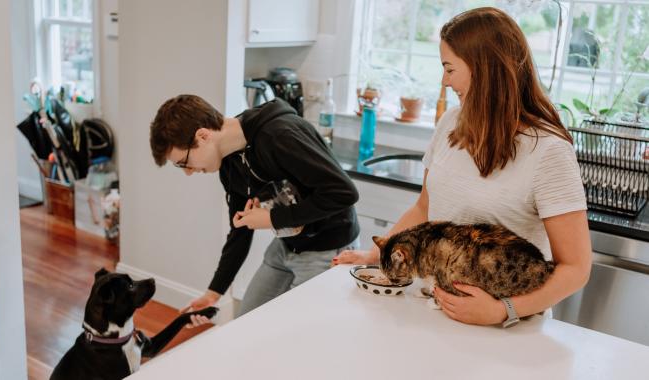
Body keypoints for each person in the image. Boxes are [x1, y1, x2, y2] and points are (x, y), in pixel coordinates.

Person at [334, 7, 592, 326]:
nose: (444, 81)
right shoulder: (450, 123)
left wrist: (504, 310)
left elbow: (576, 268)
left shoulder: (548, 151)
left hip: (509, 329)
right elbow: (423, 208)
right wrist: (377, 256)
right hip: (437, 312)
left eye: (449, 68)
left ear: (484, 69)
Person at [150, 96, 360, 325]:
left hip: (328, 249)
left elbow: (344, 193)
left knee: (300, 338)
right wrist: (214, 293)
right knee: (245, 326)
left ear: (203, 135)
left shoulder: (281, 135)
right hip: (285, 247)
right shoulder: (229, 162)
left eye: (184, 162)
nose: (188, 172)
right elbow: (240, 229)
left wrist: (272, 218)